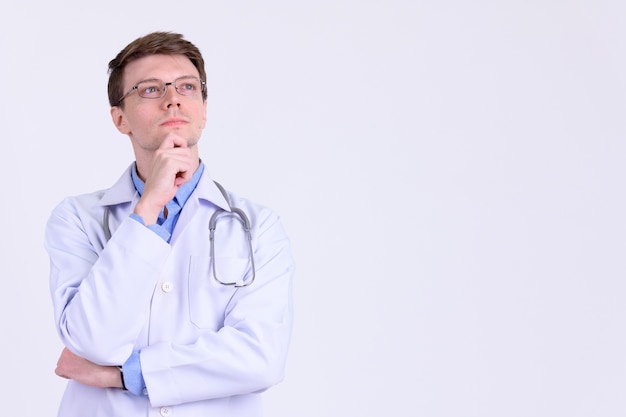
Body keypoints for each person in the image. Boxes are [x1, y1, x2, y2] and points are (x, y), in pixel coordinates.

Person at [44, 31, 294, 417]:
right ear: (120, 119)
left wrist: (125, 374)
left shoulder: (258, 227)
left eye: (187, 86)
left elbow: (260, 357)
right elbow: (92, 340)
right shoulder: (77, 218)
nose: (172, 98)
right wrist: (148, 207)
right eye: (149, 89)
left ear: (204, 109)